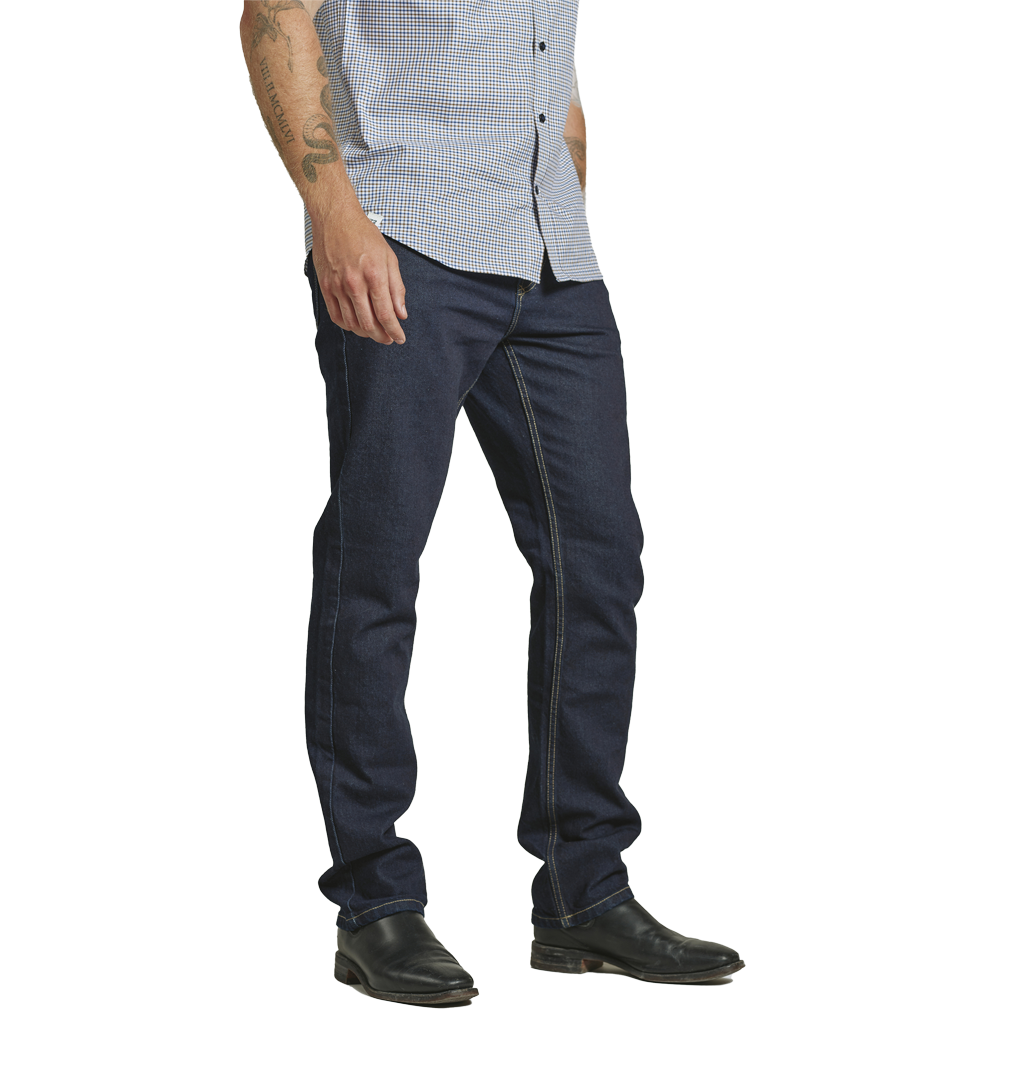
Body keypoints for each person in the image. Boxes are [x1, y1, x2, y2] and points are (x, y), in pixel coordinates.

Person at [240, 0, 743, 1005]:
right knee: (376, 563)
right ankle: (375, 904)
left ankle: (584, 893)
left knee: (599, 562)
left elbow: (545, 55)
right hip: (405, 236)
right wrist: (335, 215)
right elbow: (275, 12)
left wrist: (566, 195)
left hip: (550, 256)